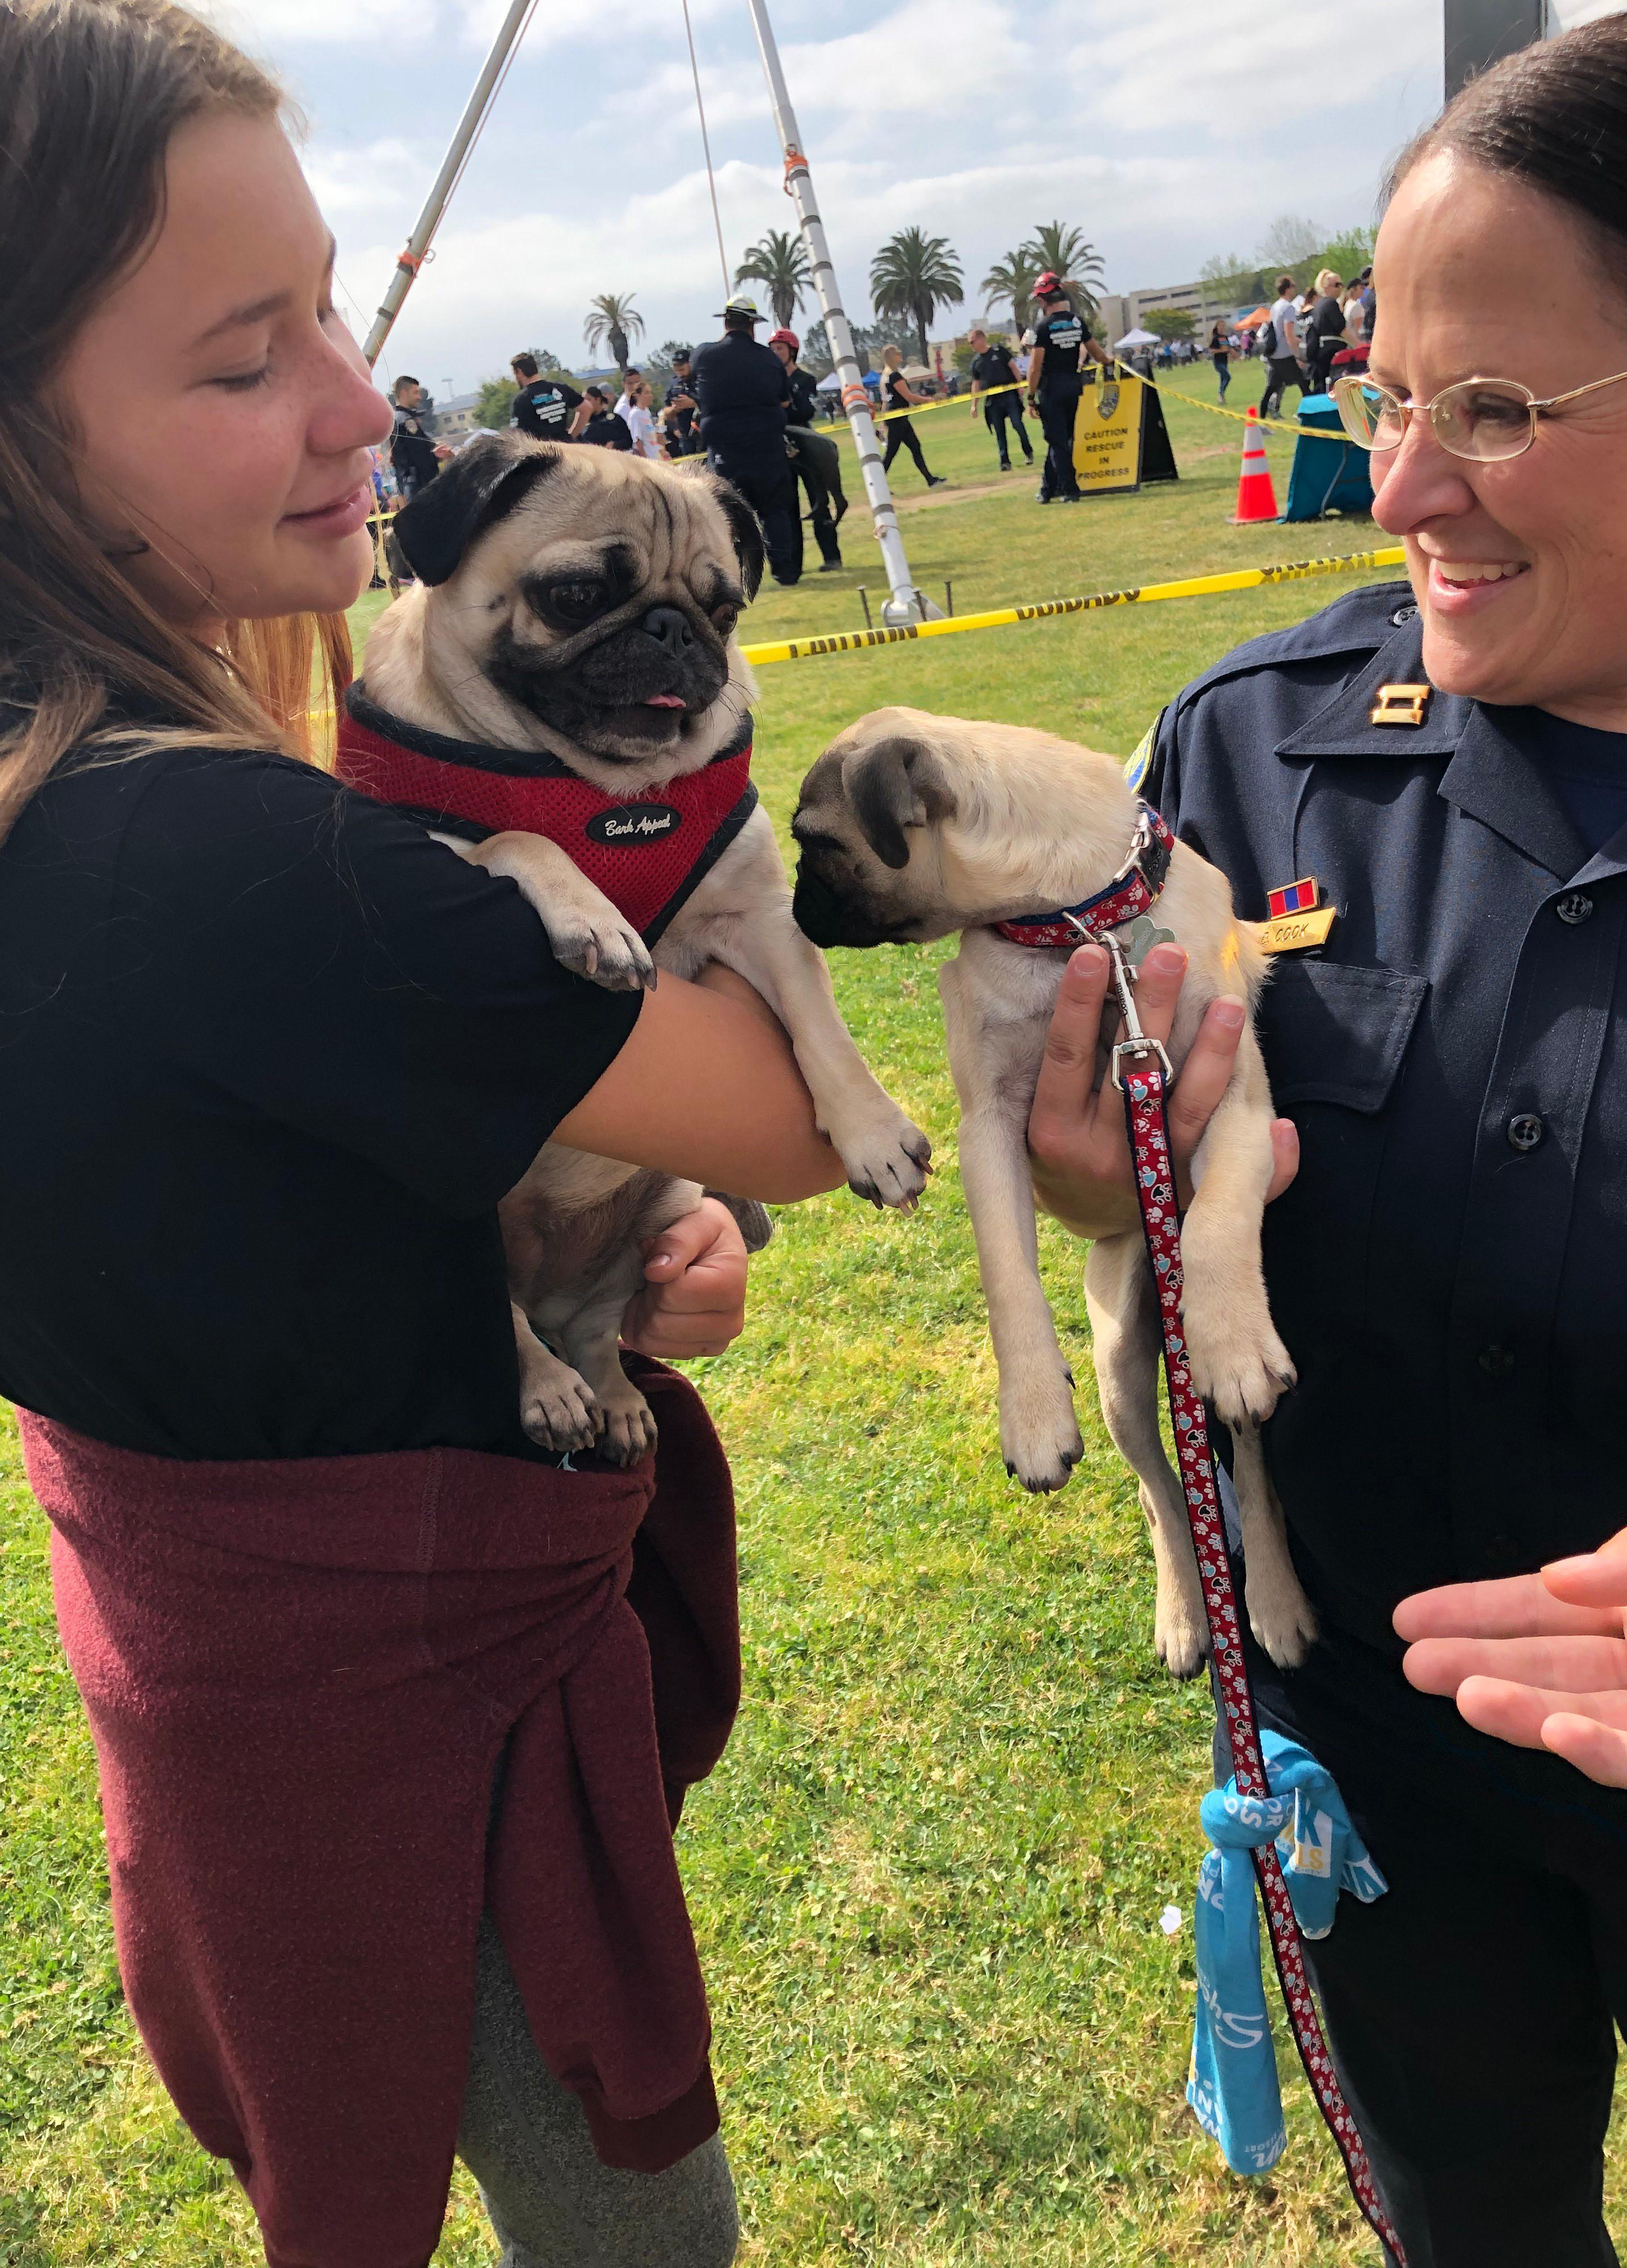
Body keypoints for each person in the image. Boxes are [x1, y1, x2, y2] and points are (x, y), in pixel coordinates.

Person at [0, 4, 853, 2262]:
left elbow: (271, 1207)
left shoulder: (75, 806)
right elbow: (773, 1117)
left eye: (334, 315)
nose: (363, 405)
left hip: (214, 1697)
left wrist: (578, 1261)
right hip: (414, 1734)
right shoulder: (252, 867)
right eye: (240, 355)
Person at [1027, 13, 1627, 2260]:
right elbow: (1126, 1177)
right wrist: (1077, 1155)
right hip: (1378, 1754)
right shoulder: (1248, 762)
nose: (1403, 487)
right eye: (1387, 393)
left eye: (1501, 411)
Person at [689, 294, 800, 585]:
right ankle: (785, 571)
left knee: (728, 517)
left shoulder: (704, 355)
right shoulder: (768, 359)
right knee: (775, 512)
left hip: (726, 452)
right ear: (753, 325)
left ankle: (736, 577)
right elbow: (782, 398)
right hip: (767, 449)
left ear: (725, 322)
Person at [1024, 272, 1110, 503]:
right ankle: (1046, 490)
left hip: (1051, 390)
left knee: (1058, 442)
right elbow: (1098, 353)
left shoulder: (1043, 327)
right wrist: (1111, 363)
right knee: (1061, 440)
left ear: (1043, 300)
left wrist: (1031, 397)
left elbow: (1035, 366)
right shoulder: (1076, 322)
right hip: (1073, 388)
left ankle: (1070, 490)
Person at [769, 328, 845, 572]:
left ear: (792, 351)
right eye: (772, 349)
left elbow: (806, 411)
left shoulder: (806, 380)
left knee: (819, 499)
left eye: (780, 349)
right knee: (787, 506)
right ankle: (794, 564)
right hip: (779, 447)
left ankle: (832, 557)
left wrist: (787, 403)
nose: (775, 353)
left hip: (806, 444)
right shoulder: (769, 381)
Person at [966, 325, 1034, 471]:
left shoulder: (999, 351)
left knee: (1018, 424)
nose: (971, 345)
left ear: (981, 339)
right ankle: (1005, 461)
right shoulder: (976, 362)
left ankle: (1028, 452)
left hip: (1009, 395)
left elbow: (1013, 367)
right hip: (993, 400)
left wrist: (1019, 386)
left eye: (972, 341)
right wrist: (974, 405)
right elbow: (976, 384)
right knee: (999, 431)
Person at [877, 344, 944, 488]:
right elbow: (909, 396)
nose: (900, 355)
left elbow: (885, 401)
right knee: (891, 453)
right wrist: (931, 400)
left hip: (897, 417)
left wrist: (883, 420)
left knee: (915, 447)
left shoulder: (885, 376)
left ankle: (930, 480)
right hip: (897, 418)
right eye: (898, 353)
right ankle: (877, 487)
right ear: (892, 356)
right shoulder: (894, 376)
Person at [389, 374, 449, 498]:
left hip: (415, 484)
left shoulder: (402, 418)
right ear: (404, 393)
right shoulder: (405, 421)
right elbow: (419, 454)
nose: (419, 397)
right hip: (419, 485)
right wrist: (435, 456)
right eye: (415, 392)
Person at [508, 350, 582, 441]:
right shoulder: (561, 389)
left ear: (519, 372)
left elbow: (516, 434)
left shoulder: (522, 399)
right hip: (566, 448)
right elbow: (586, 408)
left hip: (541, 452)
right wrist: (572, 436)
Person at [1258, 274, 1302, 420]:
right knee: (1304, 384)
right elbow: (1289, 334)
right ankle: (1307, 416)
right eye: (1293, 286)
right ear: (1288, 289)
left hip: (1274, 354)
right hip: (1285, 354)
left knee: (1271, 389)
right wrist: (1297, 356)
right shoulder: (1288, 307)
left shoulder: (1276, 306)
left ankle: (1261, 420)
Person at [1305, 268, 1348, 391]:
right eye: (1336, 285)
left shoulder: (1318, 305)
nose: (1340, 288)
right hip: (1332, 351)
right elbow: (1341, 328)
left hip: (1321, 351)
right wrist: (1359, 344)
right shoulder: (1330, 304)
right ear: (1326, 287)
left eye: (1341, 285)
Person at [662, 347, 701, 457]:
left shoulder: (701, 380)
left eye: (682, 369)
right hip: (685, 436)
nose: (680, 373)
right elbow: (665, 411)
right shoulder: (674, 384)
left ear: (690, 364)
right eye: (677, 370)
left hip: (703, 433)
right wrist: (674, 410)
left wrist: (694, 404)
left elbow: (712, 402)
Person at [570, 384, 634, 450]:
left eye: (588, 400)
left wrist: (616, 444)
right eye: (584, 401)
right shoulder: (581, 423)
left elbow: (629, 440)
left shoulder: (614, 420)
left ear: (598, 400)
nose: (585, 404)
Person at [624, 375, 664, 461]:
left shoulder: (647, 412)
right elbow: (637, 439)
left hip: (655, 457)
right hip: (648, 459)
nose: (650, 396)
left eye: (650, 393)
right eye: (647, 393)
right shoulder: (635, 414)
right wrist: (645, 459)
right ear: (638, 395)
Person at [1206, 316, 1231, 402]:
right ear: (1217, 328)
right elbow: (1211, 350)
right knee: (1227, 377)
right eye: (1221, 326)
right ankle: (1221, 394)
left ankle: (1221, 398)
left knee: (1223, 379)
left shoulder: (1225, 337)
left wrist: (1233, 353)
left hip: (1225, 361)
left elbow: (1228, 348)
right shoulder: (1215, 338)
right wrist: (1221, 350)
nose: (1223, 328)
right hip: (1218, 362)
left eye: (1224, 326)